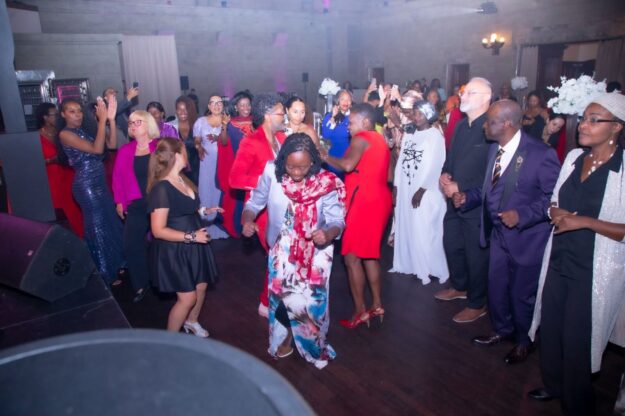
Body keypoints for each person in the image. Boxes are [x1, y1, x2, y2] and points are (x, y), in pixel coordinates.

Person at [528, 93, 625, 414]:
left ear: (616, 127)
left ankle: (578, 404)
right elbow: (554, 201)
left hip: (594, 270)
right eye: (584, 118)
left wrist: (584, 221)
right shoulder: (573, 157)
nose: (583, 125)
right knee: (551, 327)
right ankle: (554, 384)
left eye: (594, 120)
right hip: (559, 259)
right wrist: (554, 211)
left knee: (578, 339)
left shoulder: (622, 170)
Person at [453, 100, 560, 364]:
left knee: (521, 294)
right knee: (497, 287)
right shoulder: (494, 149)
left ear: (507, 124)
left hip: (527, 239)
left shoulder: (540, 154)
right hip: (498, 234)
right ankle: (502, 330)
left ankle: (525, 341)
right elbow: (490, 188)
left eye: (490, 122)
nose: (484, 127)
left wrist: (522, 215)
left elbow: (554, 199)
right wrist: (468, 197)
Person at [242, 133, 345, 369]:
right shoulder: (272, 172)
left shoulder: (325, 181)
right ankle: (284, 338)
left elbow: (337, 220)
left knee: (311, 303)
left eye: (303, 167)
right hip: (283, 248)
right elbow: (254, 203)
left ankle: (312, 344)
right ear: (282, 161)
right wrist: (247, 220)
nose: (297, 172)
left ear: (313, 162)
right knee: (282, 298)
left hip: (316, 251)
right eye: (291, 167)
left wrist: (328, 233)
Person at [322, 103, 392, 328]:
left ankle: (360, 311)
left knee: (351, 257)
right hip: (381, 199)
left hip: (363, 202)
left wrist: (324, 155)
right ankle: (377, 305)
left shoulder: (361, 137)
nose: (348, 127)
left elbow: (347, 165)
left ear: (365, 122)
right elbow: (389, 175)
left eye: (351, 122)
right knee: (370, 254)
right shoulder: (380, 139)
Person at [147, 137, 222, 336]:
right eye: (184, 151)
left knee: (201, 286)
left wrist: (204, 211)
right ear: (177, 155)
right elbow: (158, 230)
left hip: (195, 242)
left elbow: (186, 207)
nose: (188, 154)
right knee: (187, 298)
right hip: (176, 248)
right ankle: (170, 341)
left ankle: (192, 321)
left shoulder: (182, 178)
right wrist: (192, 237)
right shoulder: (161, 188)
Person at [436, 77, 492, 323]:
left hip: (476, 201)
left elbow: (492, 169)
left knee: (476, 254)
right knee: (452, 244)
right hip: (453, 198)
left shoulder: (491, 127)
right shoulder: (460, 125)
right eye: (463, 92)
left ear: (486, 98)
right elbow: (452, 157)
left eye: (470, 92)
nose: (463, 96)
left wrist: (462, 186)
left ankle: (477, 302)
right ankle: (460, 286)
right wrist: (445, 174)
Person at [229, 93, 287, 318]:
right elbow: (235, 179)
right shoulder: (251, 142)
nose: (284, 116)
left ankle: (275, 298)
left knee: (279, 255)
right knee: (276, 254)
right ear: (268, 115)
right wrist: (266, 181)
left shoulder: (281, 138)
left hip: (280, 205)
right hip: (260, 210)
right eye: (281, 112)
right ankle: (266, 302)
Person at [57, 97, 125, 285]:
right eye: (71, 111)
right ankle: (104, 272)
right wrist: (101, 121)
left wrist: (110, 119)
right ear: (63, 114)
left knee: (110, 222)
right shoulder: (65, 134)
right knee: (97, 227)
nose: (77, 115)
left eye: (79, 110)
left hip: (99, 183)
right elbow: (96, 149)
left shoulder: (83, 131)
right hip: (86, 186)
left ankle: (115, 262)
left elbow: (111, 145)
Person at [389, 100, 448, 284]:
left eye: (418, 113)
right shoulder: (410, 134)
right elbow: (401, 161)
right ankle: (410, 263)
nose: (414, 117)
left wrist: (422, 190)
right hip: (407, 187)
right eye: (413, 113)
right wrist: (396, 186)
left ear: (428, 115)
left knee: (424, 228)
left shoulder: (435, 136)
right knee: (408, 225)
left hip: (425, 190)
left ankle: (428, 267)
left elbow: (436, 165)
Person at [112, 111, 160, 303]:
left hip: (159, 203)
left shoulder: (160, 147)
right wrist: (119, 201)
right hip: (136, 203)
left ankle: (165, 280)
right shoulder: (125, 150)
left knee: (162, 244)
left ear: (148, 124)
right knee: (131, 245)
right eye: (130, 123)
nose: (132, 125)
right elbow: (117, 178)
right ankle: (141, 284)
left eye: (137, 122)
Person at [36, 102, 83, 237]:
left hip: (69, 174)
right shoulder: (36, 137)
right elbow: (33, 163)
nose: (58, 117)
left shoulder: (63, 133)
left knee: (74, 209)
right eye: (54, 115)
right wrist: (51, 160)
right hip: (51, 179)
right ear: (45, 117)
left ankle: (80, 239)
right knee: (58, 212)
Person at [193, 94, 230, 240]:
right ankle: (205, 224)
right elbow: (197, 140)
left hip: (223, 162)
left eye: (219, 102)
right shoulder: (200, 122)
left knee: (220, 191)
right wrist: (198, 147)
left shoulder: (228, 120)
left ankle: (220, 225)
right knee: (206, 189)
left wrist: (224, 127)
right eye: (212, 103)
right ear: (208, 106)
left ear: (223, 105)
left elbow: (226, 142)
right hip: (207, 162)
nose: (216, 105)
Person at [167, 96, 199, 186]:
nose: (183, 112)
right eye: (179, 109)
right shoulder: (170, 127)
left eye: (186, 109)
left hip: (198, 169)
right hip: (178, 170)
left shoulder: (198, 125)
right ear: (176, 110)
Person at [321, 90, 352, 175]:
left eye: (348, 99)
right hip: (334, 158)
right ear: (337, 101)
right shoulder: (329, 116)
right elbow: (325, 135)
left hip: (350, 158)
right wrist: (333, 118)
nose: (346, 102)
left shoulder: (353, 116)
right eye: (342, 99)